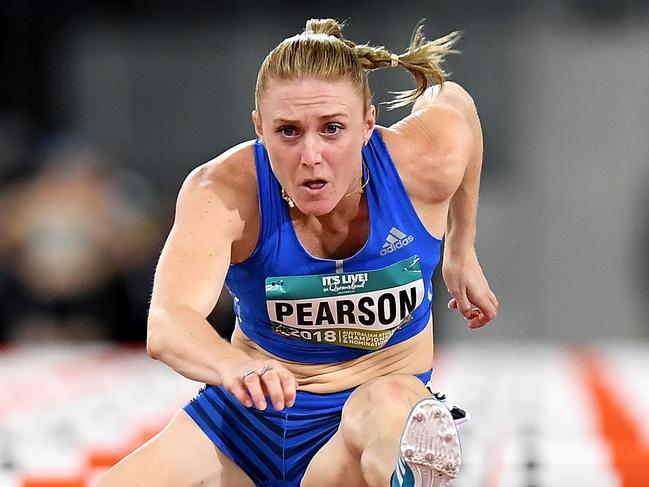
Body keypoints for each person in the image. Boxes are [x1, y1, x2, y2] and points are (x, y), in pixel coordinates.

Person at [95, 18, 498, 487]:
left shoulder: (422, 163)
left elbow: (458, 103)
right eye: (288, 132)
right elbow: (168, 321)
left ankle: (407, 470)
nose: (311, 156)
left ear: (368, 123)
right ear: (259, 129)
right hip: (248, 424)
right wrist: (237, 367)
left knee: (391, 404)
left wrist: (460, 248)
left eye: (332, 129)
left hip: (366, 414)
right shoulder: (223, 191)